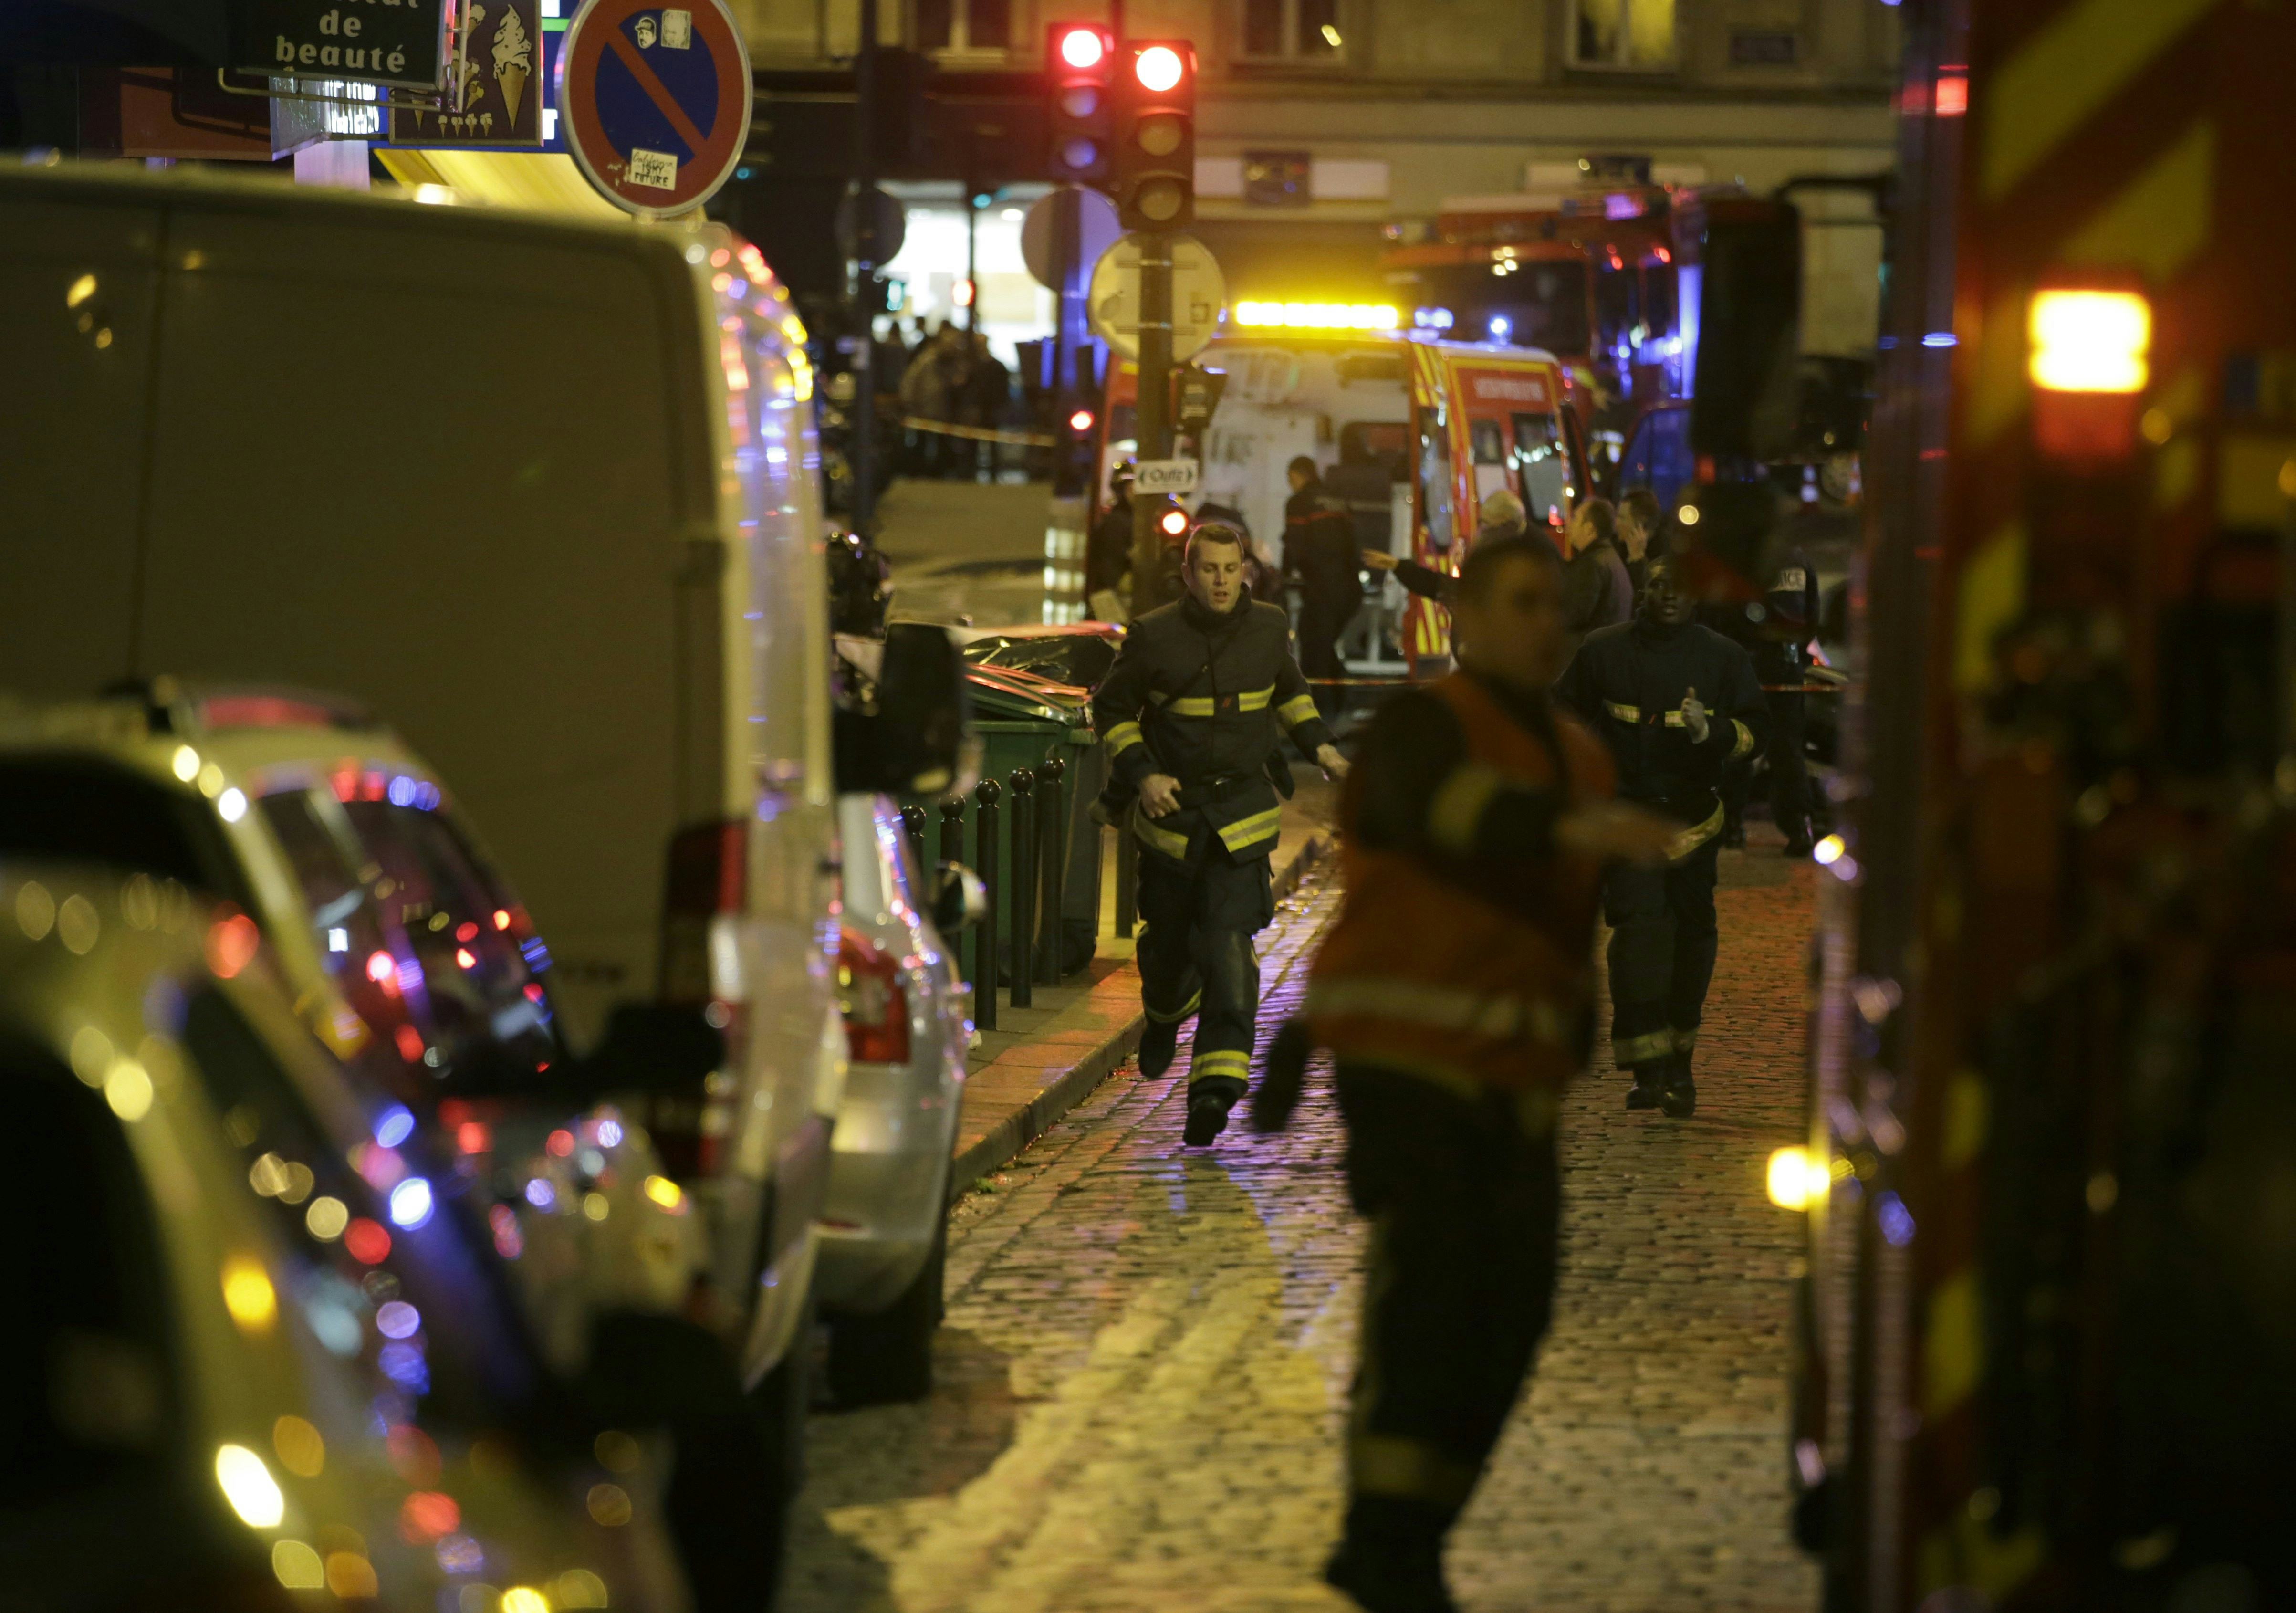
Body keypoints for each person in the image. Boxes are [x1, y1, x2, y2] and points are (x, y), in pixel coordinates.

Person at [1250, 534, 1676, 1613]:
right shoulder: (1423, 724)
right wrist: (1563, 825)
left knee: (1511, 1314)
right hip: (1406, 1069)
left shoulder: (1580, 754)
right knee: (1430, 1303)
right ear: (1468, 617)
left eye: (1556, 605)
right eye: (1522, 603)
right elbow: (1425, 811)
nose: (1546, 624)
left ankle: (1415, 1531)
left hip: (1514, 1079)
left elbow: (1568, 918)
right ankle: (1383, 1543)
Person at [1091, 521, 1349, 1145]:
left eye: (1231, 569)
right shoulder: (1153, 635)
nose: (1222, 581)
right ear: (1188, 574)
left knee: (1231, 949)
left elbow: (1291, 695)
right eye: (1209, 569)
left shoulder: (1269, 627)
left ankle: (1214, 1090)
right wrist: (1145, 776)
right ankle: (1162, 1015)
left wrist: (1324, 751)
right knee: (1167, 951)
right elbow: (1113, 710)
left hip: (1242, 820)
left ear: (1245, 572)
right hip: (1173, 824)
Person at [1554, 552, 1768, 1117]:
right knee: (1639, 935)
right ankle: (1648, 1068)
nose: (1669, 594)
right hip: (1627, 822)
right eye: (1658, 586)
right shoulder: (1604, 650)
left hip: (1695, 820)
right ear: (1644, 592)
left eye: (1679, 586)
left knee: (1694, 938)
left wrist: (1711, 730)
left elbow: (1757, 732)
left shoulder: (1723, 657)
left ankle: (1680, 1066)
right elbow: (1560, 716)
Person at [1716, 543, 1819, 855]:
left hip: (1750, 664)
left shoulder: (1748, 555)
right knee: (1788, 751)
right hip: (1787, 666)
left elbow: (1730, 613)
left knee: (1741, 744)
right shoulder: (1801, 559)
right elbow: (1812, 614)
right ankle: (1800, 827)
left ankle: (1732, 826)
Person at [1359, 488, 1534, 610]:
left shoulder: (1514, 567)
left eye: (1486, 524)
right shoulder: (1510, 557)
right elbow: (1445, 588)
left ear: (1504, 522)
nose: (1481, 530)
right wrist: (1399, 567)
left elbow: (1453, 591)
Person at [1282, 456, 1364, 705]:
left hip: (1322, 588)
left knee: (1313, 648)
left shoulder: (1299, 502)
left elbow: (1294, 544)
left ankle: (1319, 707)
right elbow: (1354, 543)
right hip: (1351, 589)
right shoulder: (1340, 500)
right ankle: (1339, 699)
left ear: (1297, 475)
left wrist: (1284, 575)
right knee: (1324, 645)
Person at [1559, 496, 1633, 659]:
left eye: (1576, 519)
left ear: (1590, 528)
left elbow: (1573, 615)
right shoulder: (1610, 557)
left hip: (1589, 658)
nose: (1570, 525)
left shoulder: (1591, 564)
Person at [1085, 462, 1137, 612]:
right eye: (1131, 488)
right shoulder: (1117, 522)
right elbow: (1110, 565)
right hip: (1115, 599)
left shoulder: (1135, 521)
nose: (1135, 493)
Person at [1617, 487, 1662, 597]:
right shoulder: (1618, 546)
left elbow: (1647, 599)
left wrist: (1638, 560)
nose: (1616, 523)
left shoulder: (1663, 557)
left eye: (1622, 518)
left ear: (1640, 524)